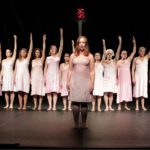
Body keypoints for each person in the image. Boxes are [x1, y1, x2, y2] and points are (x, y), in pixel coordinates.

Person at [68, 35, 95, 129]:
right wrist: (68, 82)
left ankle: (83, 124)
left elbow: (92, 71)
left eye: (83, 42)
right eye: (80, 42)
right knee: (75, 103)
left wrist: (92, 83)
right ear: (77, 44)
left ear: (86, 44)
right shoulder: (73, 55)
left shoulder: (90, 56)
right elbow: (70, 70)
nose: (82, 44)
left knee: (84, 103)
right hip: (75, 81)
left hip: (85, 82)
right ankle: (76, 124)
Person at [44, 28, 63, 111]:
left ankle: (54, 106)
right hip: (48, 75)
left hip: (55, 75)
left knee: (54, 91)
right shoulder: (47, 58)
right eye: (52, 49)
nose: (53, 50)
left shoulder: (58, 56)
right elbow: (45, 68)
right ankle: (50, 105)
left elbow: (61, 46)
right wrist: (44, 77)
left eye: (55, 49)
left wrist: (61, 34)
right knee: (49, 91)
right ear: (50, 50)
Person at [117, 36, 136, 111]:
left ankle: (125, 105)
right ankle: (119, 105)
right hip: (120, 79)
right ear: (121, 54)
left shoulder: (129, 60)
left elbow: (134, 51)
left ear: (127, 55)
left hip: (127, 79)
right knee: (120, 91)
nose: (124, 54)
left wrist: (134, 43)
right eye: (123, 53)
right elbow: (117, 52)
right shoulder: (118, 61)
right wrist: (120, 42)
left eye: (125, 53)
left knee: (126, 91)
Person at [14, 33, 33, 110]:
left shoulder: (27, 59)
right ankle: (20, 105)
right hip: (18, 77)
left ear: (26, 53)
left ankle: (24, 105)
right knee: (19, 91)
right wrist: (14, 78)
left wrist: (31, 40)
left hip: (25, 77)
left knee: (25, 91)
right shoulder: (17, 60)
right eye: (21, 52)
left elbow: (31, 48)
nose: (23, 53)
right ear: (20, 53)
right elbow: (15, 70)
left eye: (24, 52)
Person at [103, 36, 122, 111]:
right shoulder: (104, 61)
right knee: (105, 93)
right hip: (106, 79)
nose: (109, 55)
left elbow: (118, 52)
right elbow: (104, 53)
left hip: (112, 79)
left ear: (112, 54)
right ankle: (106, 106)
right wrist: (104, 45)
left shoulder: (114, 61)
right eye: (108, 54)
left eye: (110, 54)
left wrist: (120, 43)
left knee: (111, 93)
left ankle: (110, 106)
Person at [0, 35, 17, 109]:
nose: (7, 53)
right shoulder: (3, 61)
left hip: (10, 76)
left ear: (11, 53)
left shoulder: (12, 59)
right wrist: (0, 78)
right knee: (6, 91)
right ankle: (7, 104)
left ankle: (11, 104)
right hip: (5, 77)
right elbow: (2, 70)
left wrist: (15, 40)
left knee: (11, 91)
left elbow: (15, 49)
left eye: (8, 52)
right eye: (6, 52)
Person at [31, 34, 46, 110]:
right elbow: (31, 70)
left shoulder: (41, 59)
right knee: (34, 92)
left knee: (40, 91)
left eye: (38, 52)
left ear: (40, 53)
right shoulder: (32, 61)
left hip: (40, 77)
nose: (37, 53)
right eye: (36, 52)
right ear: (34, 53)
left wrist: (44, 41)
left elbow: (44, 50)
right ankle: (35, 105)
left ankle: (40, 105)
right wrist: (30, 78)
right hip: (34, 77)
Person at [132, 47, 150, 111]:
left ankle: (142, 106)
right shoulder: (135, 59)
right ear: (139, 51)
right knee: (137, 91)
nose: (142, 52)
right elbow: (133, 69)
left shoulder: (146, 57)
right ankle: (137, 106)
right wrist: (133, 77)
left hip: (144, 77)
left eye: (144, 51)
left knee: (143, 91)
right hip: (137, 77)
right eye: (141, 51)